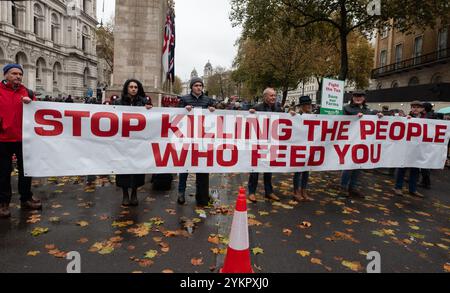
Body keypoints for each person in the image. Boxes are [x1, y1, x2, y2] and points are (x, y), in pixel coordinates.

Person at [0, 64, 42, 218]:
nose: (17, 76)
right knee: (3, 172)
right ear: (5, 75)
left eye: (20, 74)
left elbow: (39, 113)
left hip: (24, 139)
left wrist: (32, 103)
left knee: (26, 170)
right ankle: (3, 203)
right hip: (3, 140)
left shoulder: (28, 93)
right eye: (13, 73)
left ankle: (26, 198)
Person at [247, 87, 296, 203]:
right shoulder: (257, 108)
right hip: (258, 142)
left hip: (271, 142)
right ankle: (252, 192)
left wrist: (290, 114)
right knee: (255, 169)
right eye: (271, 95)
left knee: (268, 168)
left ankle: (269, 192)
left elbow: (284, 119)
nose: (274, 97)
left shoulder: (278, 108)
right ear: (265, 97)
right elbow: (247, 119)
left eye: (274, 95)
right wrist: (250, 112)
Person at [113, 79, 153, 206]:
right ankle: (125, 194)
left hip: (138, 142)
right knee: (123, 167)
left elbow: (152, 120)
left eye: (136, 87)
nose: (133, 89)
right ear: (127, 88)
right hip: (123, 142)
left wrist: (149, 110)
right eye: (131, 87)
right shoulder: (118, 103)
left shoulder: (144, 103)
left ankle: (134, 192)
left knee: (136, 168)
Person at [177, 77, 216, 207]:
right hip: (187, 137)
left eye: (200, 85)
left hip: (202, 139)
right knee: (185, 166)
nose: (199, 88)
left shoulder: (208, 100)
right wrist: (183, 110)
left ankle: (201, 194)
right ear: (192, 87)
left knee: (201, 167)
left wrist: (213, 109)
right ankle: (181, 192)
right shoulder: (184, 99)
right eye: (196, 85)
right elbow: (176, 115)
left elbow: (219, 109)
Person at [340, 90, 383, 198]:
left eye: (360, 96)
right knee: (348, 166)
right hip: (350, 141)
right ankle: (343, 187)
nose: (358, 98)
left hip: (363, 142)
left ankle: (353, 187)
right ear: (352, 97)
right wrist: (354, 117)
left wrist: (379, 115)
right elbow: (341, 122)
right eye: (356, 96)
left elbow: (374, 117)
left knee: (358, 166)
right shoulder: (346, 108)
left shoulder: (367, 110)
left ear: (364, 98)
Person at [392, 101, 425, 198]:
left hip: (417, 149)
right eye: (413, 107)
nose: (415, 109)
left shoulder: (425, 119)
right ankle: (398, 187)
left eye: (417, 107)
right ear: (411, 108)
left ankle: (413, 189)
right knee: (402, 168)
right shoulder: (406, 118)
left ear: (421, 109)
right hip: (406, 148)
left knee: (415, 170)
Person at [292, 96, 314, 202]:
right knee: (298, 170)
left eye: (310, 104)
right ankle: (296, 192)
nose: (309, 106)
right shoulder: (296, 115)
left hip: (309, 145)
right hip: (298, 145)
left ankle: (304, 191)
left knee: (306, 170)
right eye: (307, 104)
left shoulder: (313, 116)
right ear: (301, 106)